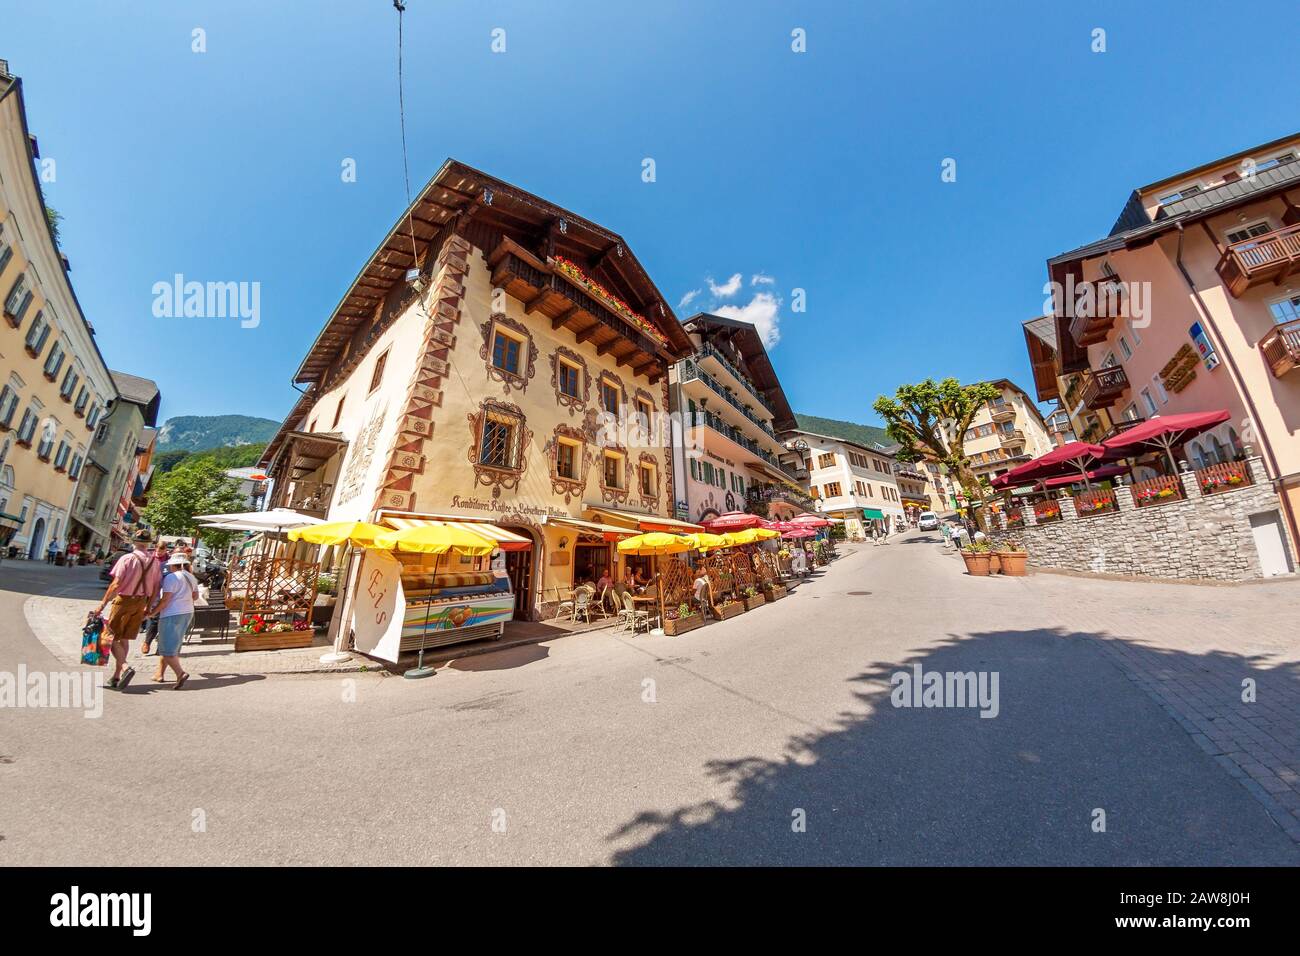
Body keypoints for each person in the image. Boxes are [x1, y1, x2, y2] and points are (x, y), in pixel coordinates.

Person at [92, 529, 162, 690]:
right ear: (148, 543)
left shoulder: (127, 558)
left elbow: (116, 584)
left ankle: (124, 667)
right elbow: (156, 587)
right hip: (141, 602)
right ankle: (117, 676)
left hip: (124, 600)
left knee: (110, 635)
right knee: (123, 638)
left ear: (133, 542)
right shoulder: (155, 561)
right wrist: (149, 606)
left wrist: (102, 604)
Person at [147, 552, 196, 689]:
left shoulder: (171, 577)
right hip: (187, 612)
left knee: (166, 647)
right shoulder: (191, 577)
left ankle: (180, 673)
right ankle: (159, 674)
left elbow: (165, 600)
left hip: (171, 613)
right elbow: (195, 596)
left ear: (174, 565)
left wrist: (152, 612)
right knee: (172, 644)